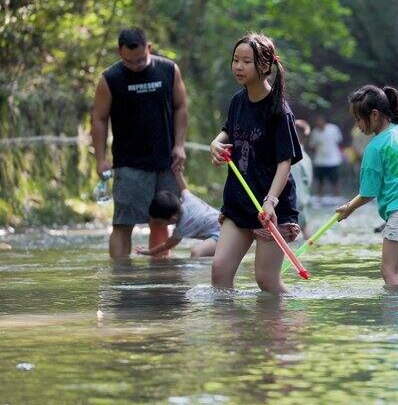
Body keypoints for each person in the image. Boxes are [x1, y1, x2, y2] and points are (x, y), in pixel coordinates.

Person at [209, 33, 302, 293]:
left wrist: (270, 201)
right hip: (239, 201)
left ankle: (286, 327)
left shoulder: (279, 111)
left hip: (271, 207)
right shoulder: (237, 101)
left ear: (264, 66)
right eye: (235, 60)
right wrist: (215, 143)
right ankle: (232, 331)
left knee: (266, 281)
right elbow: (228, 130)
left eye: (246, 62)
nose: (238, 66)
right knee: (219, 271)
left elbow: (286, 162)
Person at [91, 27, 188, 259]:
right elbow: (99, 119)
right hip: (128, 164)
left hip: (165, 160)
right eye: (129, 61)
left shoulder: (169, 70)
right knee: (123, 223)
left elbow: (181, 107)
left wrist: (180, 145)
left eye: (141, 59)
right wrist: (101, 158)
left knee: (162, 220)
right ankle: (120, 277)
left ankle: (159, 276)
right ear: (120, 52)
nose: (136, 65)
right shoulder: (110, 79)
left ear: (149, 48)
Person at [336, 85, 398, 286]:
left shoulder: (375, 146)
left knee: (389, 271)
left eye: (358, 119)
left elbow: (368, 193)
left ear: (374, 114)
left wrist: (348, 209)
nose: (357, 126)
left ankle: (395, 317)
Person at [135, 170, 220, 257]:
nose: (159, 224)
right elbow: (184, 188)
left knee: (196, 252)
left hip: (221, 236)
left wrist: (148, 252)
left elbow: (166, 246)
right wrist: (178, 173)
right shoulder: (188, 199)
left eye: (160, 222)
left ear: (173, 219)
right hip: (229, 223)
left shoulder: (182, 228)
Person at [309, 115, 343, 196]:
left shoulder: (333, 129)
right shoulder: (315, 132)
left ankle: (337, 197)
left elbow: (339, 141)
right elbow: (312, 146)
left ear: (324, 121)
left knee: (335, 182)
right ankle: (319, 198)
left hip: (333, 160)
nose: (318, 123)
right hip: (320, 161)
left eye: (320, 120)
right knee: (319, 183)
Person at [292, 119, 314, 238]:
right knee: (307, 237)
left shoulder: (293, 157)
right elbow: (308, 183)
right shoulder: (305, 157)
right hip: (302, 203)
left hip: (295, 204)